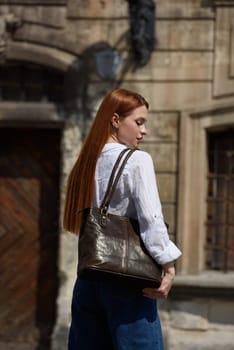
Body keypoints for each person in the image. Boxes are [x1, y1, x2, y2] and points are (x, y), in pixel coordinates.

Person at [63, 88, 182, 350]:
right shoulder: (138, 160)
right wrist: (168, 265)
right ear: (115, 120)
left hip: (89, 279)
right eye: (138, 122)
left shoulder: (85, 162)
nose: (144, 131)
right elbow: (151, 218)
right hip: (128, 280)